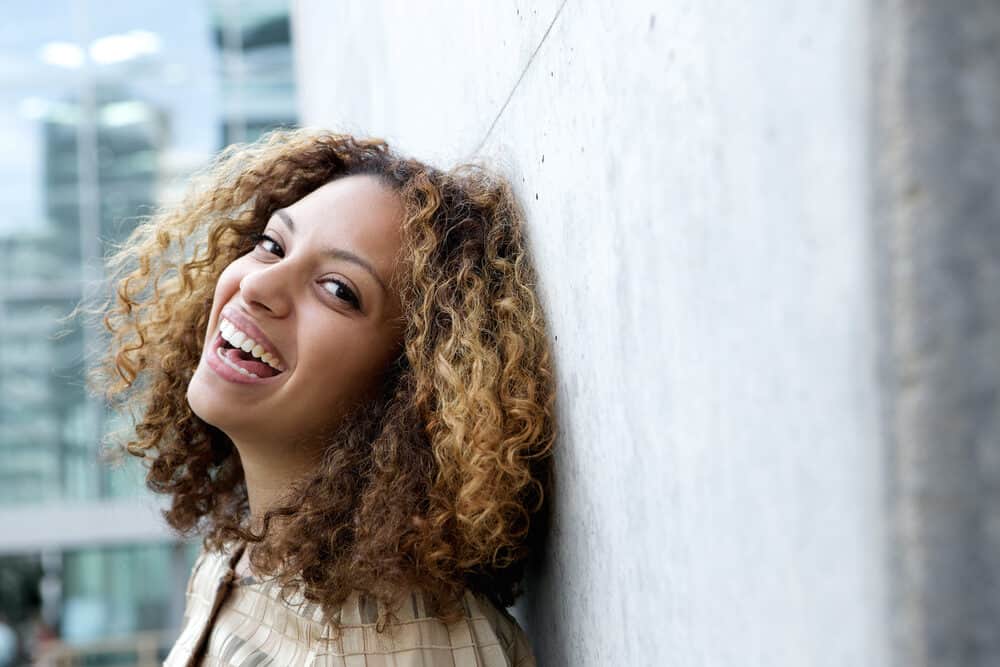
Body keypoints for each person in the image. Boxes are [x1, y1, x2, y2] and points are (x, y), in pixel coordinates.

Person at [89, 128, 556, 666]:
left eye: (338, 290)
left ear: (412, 384)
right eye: (272, 246)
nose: (258, 287)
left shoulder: (397, 644)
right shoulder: (240, 555)